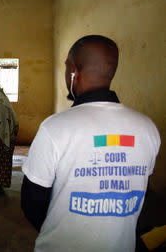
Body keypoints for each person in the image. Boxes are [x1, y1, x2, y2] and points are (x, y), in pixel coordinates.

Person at [21, 35, 160, 252]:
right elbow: (141, 190)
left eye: (67, 67)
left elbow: (31, 202)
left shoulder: (54, 128)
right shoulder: (148, 129)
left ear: (74, 72)